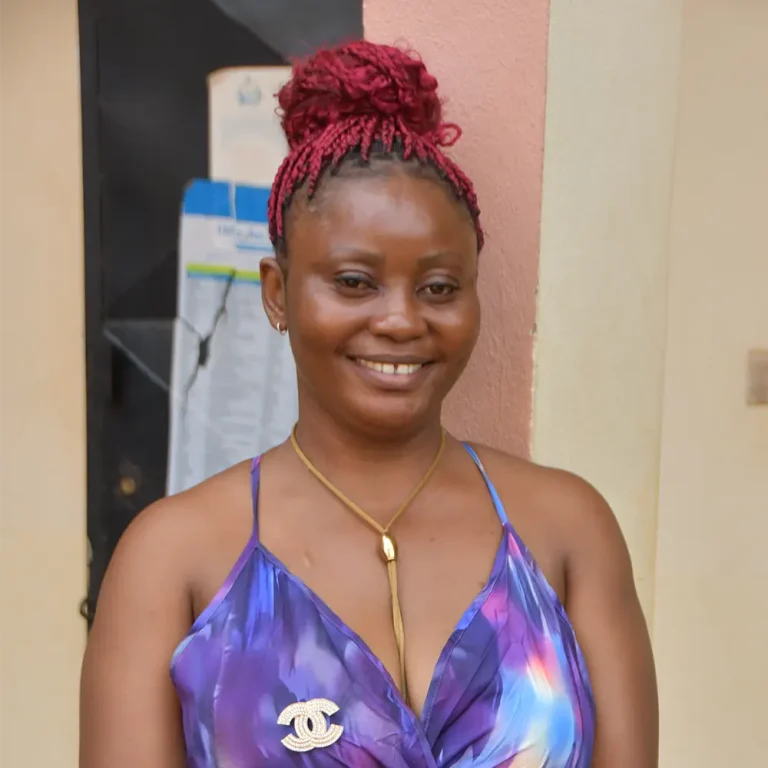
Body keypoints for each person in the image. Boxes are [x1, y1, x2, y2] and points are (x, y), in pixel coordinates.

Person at [80, 41, 658, 768]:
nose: (401, 320)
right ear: (277, 293)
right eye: (354, 282)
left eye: (439, 287)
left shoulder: (569, 532)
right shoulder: (173, 558)